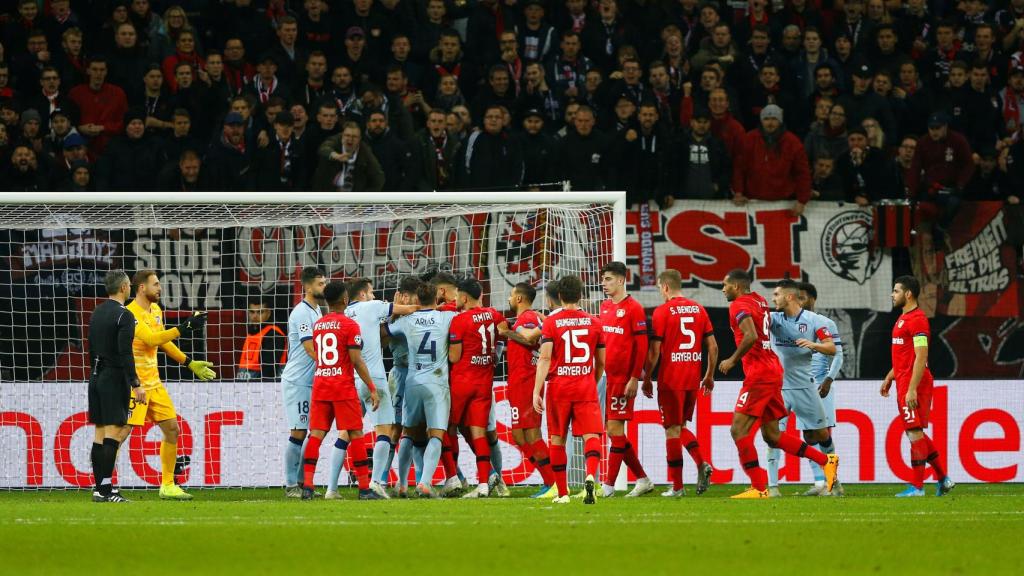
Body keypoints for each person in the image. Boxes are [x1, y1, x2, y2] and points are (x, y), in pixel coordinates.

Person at [717, 269, 838, 498]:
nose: (723, 289)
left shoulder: (738, 305)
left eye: (725, 285)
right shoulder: (759, 301)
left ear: (737, 286)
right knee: (772, 436)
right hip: (774, 371)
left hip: (759, 374)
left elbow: (751, 335)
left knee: (738, 430)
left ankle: (759, 488)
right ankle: (826, 460)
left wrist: (732, 360)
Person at [126, 270, 215, 500]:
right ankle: (104, 484)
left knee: (172, 430)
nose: (160, 288)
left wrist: (189, 362)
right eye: (155, 284)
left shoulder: (156, 310)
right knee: (120, 434)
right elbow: (151, 340)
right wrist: (185, 327)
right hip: (133, 385)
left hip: (154, 384)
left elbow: (163, 342)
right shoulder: (129, 314)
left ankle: (167, 485)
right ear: (141, 288)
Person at [326, 278, 415, 499]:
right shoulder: (373, 307)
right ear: (363, 295)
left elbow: (381, 329)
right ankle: (375, 482)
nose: (375, 296)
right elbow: (411, 308)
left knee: (345, 433)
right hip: (373, 379)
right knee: (384, 430)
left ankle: (331, 489)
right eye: (372, 292)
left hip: (349, 381)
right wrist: (434, 306)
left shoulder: (341, 316)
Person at [300, 281, 382, 500]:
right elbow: (356, 361)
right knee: (355, 433)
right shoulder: (350, 326)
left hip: (321, 386)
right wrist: (372, 388)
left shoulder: (318, 325)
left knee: (316, 434)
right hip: (342, 387)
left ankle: (307, 487)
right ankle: (364, 488)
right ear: (345, 300)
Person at [642, 269, 717, 497]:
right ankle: (701, 464)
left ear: (665, 287)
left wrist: (646, 378)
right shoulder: (699, 309)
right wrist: (709, 375)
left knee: (671, 431)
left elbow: (655, 351)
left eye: (658, 288)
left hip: (671, 380)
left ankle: (677, 487)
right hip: (692, 378)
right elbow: (713, 346)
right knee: (681, 427)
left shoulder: (662, 312)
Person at [532, 275, 606, 504]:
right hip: (585, 386)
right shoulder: (594, 322)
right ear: (581, 295)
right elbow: (601, 362)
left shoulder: (552, 322)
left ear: (560, 296)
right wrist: (590, 381)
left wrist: (537, 391)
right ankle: (591, 476)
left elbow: (544, 358)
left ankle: (563, 494)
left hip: (559, 387)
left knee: (557, 439)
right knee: (591, 435)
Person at [882, 276, 955, 497]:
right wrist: (890, 376)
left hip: (915, 383)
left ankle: (917, 487)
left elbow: (921, 355)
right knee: (916, 433)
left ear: (908, 294)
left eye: (896, 291)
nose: (892, 294)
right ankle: (943, 479)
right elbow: (904, 356)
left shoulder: (918, 320)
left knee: (914, 433)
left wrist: (912, 388)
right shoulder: (902, 319)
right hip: (904, 381)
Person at [765, 279, 838, 498]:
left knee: (822, 434)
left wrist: (814, 345)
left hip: (805, 387)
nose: (773, 298)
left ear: (789, 297)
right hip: (778, 387)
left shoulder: (814, 321)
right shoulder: (772, 319)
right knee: (773, 435)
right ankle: (773, 487)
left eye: (776, 294)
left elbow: (832, 348)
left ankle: (833, 484)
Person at [388, 281, 458, 498]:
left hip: (412, 381)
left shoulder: (407, 320)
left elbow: (387, 329)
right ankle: (425, 483)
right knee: (436, 434)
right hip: (436, 384)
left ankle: (401, 483)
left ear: (416, 300)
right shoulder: (447, 317)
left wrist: (395, 310)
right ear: (436, 298)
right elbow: (462, 315)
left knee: (407, 432)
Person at [448, 277, 514, 499]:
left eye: (458, 295)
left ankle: (454, 479)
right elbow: (505, 332)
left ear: (464, 297)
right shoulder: (495, 314)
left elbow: (454, 357)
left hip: (461, 383)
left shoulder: (459, 321)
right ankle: (484, 485)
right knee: (479, 434)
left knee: (447, 429)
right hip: (484, 384)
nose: (456, 299)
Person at [596, 261, 653, 498]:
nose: (604, 283)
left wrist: (634, 378)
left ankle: (608, 485)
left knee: (615, 430)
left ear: (621, 280)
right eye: (603, 279)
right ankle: (643, 479)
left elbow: (641, 347)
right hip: (606, 378)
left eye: (608, 279)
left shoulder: (634, 308)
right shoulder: (605, 307)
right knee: (613, 432)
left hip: (623, 379)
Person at [87, 270, 143, 503]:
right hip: (113, 377)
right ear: (123, 288)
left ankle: (100, 488)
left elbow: (90, 347)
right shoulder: (125, 315)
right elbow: (125, 352)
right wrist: (135, 383)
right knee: (114, 433)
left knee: (100, 434)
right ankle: (106, 490)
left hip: (96, 376)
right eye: (129, 285)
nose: (130, 288)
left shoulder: (96, 312)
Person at [504, 282, 557, 498]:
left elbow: (528, 337)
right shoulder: (526, 319)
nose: (508, 298)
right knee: (519, 436)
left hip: (527, 381)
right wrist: (508, 332)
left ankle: (553, 482)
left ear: (519, 298)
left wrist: (507, 331)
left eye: (510, 295)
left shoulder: (527, 318)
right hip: (518, 382)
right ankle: (549, 480)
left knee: (532, 433)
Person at [280, 266, 326, 498]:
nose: (323, 287)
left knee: (312, 431)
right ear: (306, 287)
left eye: (324, 283)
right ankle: (291, 486)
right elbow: (310, 348)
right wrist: (330, 366)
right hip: (298, 380)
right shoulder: (301, 312)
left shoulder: (317, 311)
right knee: (298, 431)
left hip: (312, 380)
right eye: (319, 283)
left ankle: (302, 483)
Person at [797, 281, 845, 496]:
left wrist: (828, 379)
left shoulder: (825, 323)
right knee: (808, 436)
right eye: (796, 297)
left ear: (812, 299)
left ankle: (833, 482)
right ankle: (819, 483)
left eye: (803, 297)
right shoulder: (792, 325)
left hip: (820, 384)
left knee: (823, 433)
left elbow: (838, 354)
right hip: (800, 385)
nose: (800, 301)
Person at [731, 104, 812, 216]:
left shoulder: (793, 142)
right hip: (753, 202)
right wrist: (738, 192)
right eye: (766, 119)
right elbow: (739, 168)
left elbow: (802, 173)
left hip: (784, 203)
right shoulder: (749, 139)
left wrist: (802, 200)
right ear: (761, 120)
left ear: (780, 121)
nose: (770, 123)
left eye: (774, 119)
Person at [313, 120, 385, 192]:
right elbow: (323, 148)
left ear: (359, 139)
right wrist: (336, 156)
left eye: (354, 137)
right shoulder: (335, 141)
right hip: (330, 193)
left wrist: (364, 197)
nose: (350, 139)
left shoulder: (365, 151)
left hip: (354, 197)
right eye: (347, 135)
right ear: (342, 135)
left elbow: (379, 177)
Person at [236, 294, 286, 381]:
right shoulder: (252, 333)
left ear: (268, 313)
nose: (255, 316)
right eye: (252, 312)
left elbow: (269, 370)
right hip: (245, 386)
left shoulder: (273, 334)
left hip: (262, 388)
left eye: (260, 312)